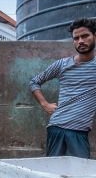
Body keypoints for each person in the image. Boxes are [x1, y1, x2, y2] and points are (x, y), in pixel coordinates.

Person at [29, 18, 96, 158]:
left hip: (80, 131)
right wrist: (45, 104)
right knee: (54, 173)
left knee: (80, 176)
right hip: (57, 128)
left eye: (85, 36)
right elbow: (34, 82)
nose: (80, 41)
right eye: (76, 38)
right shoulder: (62, 65)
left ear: (94, 36)